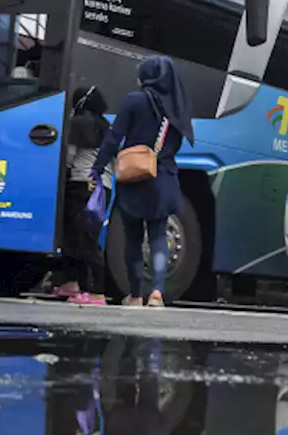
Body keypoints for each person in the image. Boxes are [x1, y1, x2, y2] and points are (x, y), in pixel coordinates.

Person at [91, 55, 194, 308]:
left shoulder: (135, 101)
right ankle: (157, 293)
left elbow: (115, 137)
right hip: (165, 177)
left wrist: (97, 168)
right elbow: (178, 143)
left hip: (135, 177)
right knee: (159, 236)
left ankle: (136, 294)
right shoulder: (178, 107)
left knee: (133, 238)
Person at [54, 86, 114, 305]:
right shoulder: (107, 126)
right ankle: (73, 284)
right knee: (84, 235)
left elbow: (69, 157)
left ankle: (95, 291)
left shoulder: (78, 124)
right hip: (102, 187)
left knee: (79, 238)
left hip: (81, 184)